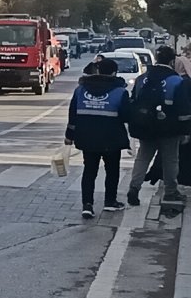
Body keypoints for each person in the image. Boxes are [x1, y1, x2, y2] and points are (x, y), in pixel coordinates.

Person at [65, 58, 131, 218]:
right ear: (114, 73)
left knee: (89, 171)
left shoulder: (80, 90)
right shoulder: (120, 92)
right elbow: (126, 116)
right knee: (112, 170)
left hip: (87, 137)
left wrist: (69, 136)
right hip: (111, 138)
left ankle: (87, 205)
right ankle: (110, 202)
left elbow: (73, 115)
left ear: (98, 71)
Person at [126, 45, 191, 207]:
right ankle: (171, 191)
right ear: (171, 61)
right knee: (170, 160)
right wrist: (185, 131)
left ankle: (134, 187)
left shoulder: (143, 78)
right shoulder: (176, 81)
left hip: (145, 127)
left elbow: (133, 102)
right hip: (170, 129)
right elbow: (184, 110)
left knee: (143, 157)